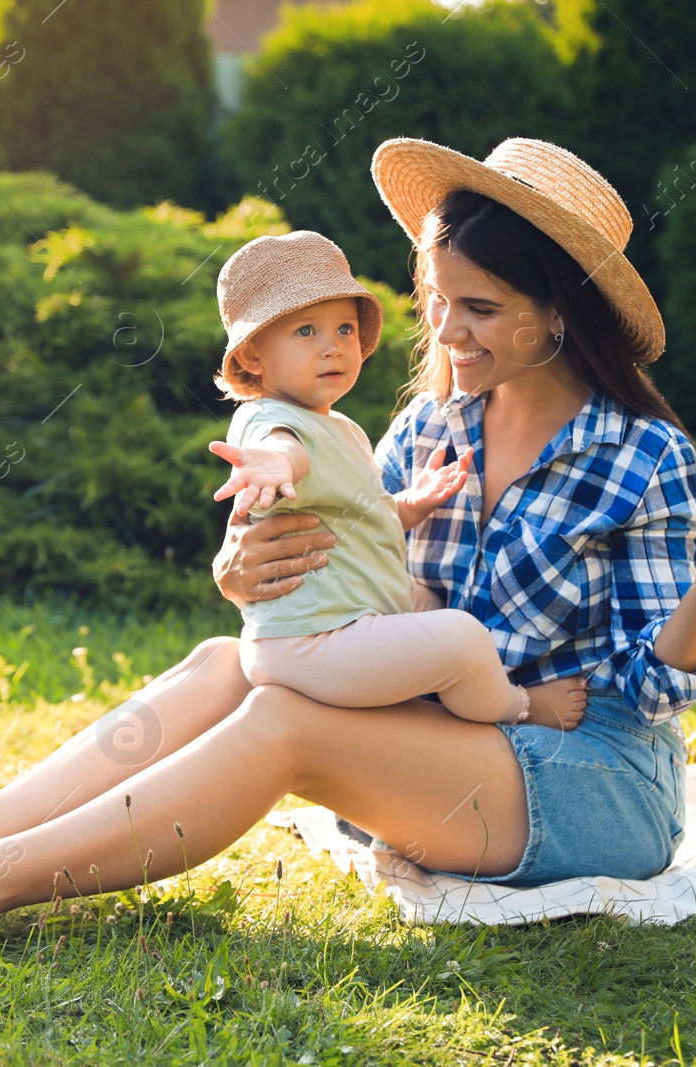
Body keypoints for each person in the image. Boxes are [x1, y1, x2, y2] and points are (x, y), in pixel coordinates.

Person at [0, 137, 696, 947]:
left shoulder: (641, 454)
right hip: (436, 722)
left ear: (556, 313)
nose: (442, 331)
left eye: (476, 308)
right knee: (219, 662)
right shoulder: (432, 419)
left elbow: (659, 696)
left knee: (277, 715)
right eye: (434, 299)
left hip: (587, 775)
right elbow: (340, 577)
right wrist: (240, 569)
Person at [206, 229, 587, 729]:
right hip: (314, 641)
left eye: (344, 329)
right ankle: (523, 707)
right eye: (306, 332)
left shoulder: (336, 426)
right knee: (461, 637)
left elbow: (359, 516)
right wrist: (275, 466)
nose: (333, 348)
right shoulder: (273, 422)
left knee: (423, 598)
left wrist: (409, 503)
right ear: (253, 357)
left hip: (328, 630)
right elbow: (284, 449)